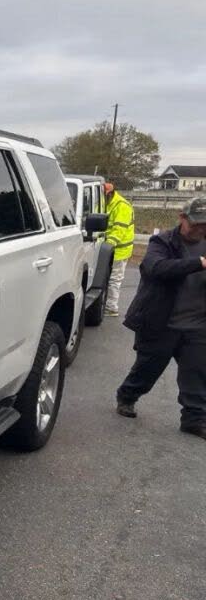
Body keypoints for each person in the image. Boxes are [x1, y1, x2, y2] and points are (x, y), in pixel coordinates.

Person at [116, 197, 206, 438]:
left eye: (205, 225)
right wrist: (198, 263)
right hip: (161, 321)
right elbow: (155, 268)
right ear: (182, 218)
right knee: (148, 368)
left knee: (197, 372)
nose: (200, 229)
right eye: (196, 224)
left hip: (197, 324)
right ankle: (127, 396)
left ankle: (194, 419)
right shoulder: (163, 241)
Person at [103, 181, 135, 316]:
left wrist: (107, 245)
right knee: (106, 278)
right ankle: (106, 304)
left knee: (114, 279)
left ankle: (111, 308)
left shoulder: (122, 206)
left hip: (119, 250)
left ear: (110, 193)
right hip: (108, 249)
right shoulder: (106, 203)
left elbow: (119, 230)